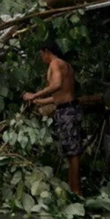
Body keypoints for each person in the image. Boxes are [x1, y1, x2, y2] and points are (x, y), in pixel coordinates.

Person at [23, 41, 84, 196]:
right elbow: (60, 95)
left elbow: (56, 85)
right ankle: (73, 190)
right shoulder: (66, 65)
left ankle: (77, 191)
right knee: (71, 153)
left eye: (41, 54)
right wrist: (38, 101)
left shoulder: (56, 64)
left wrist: (35, 94)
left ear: (46, 51)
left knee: (73, 153)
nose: (42, 58)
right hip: (68, 108)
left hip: (68, 111)